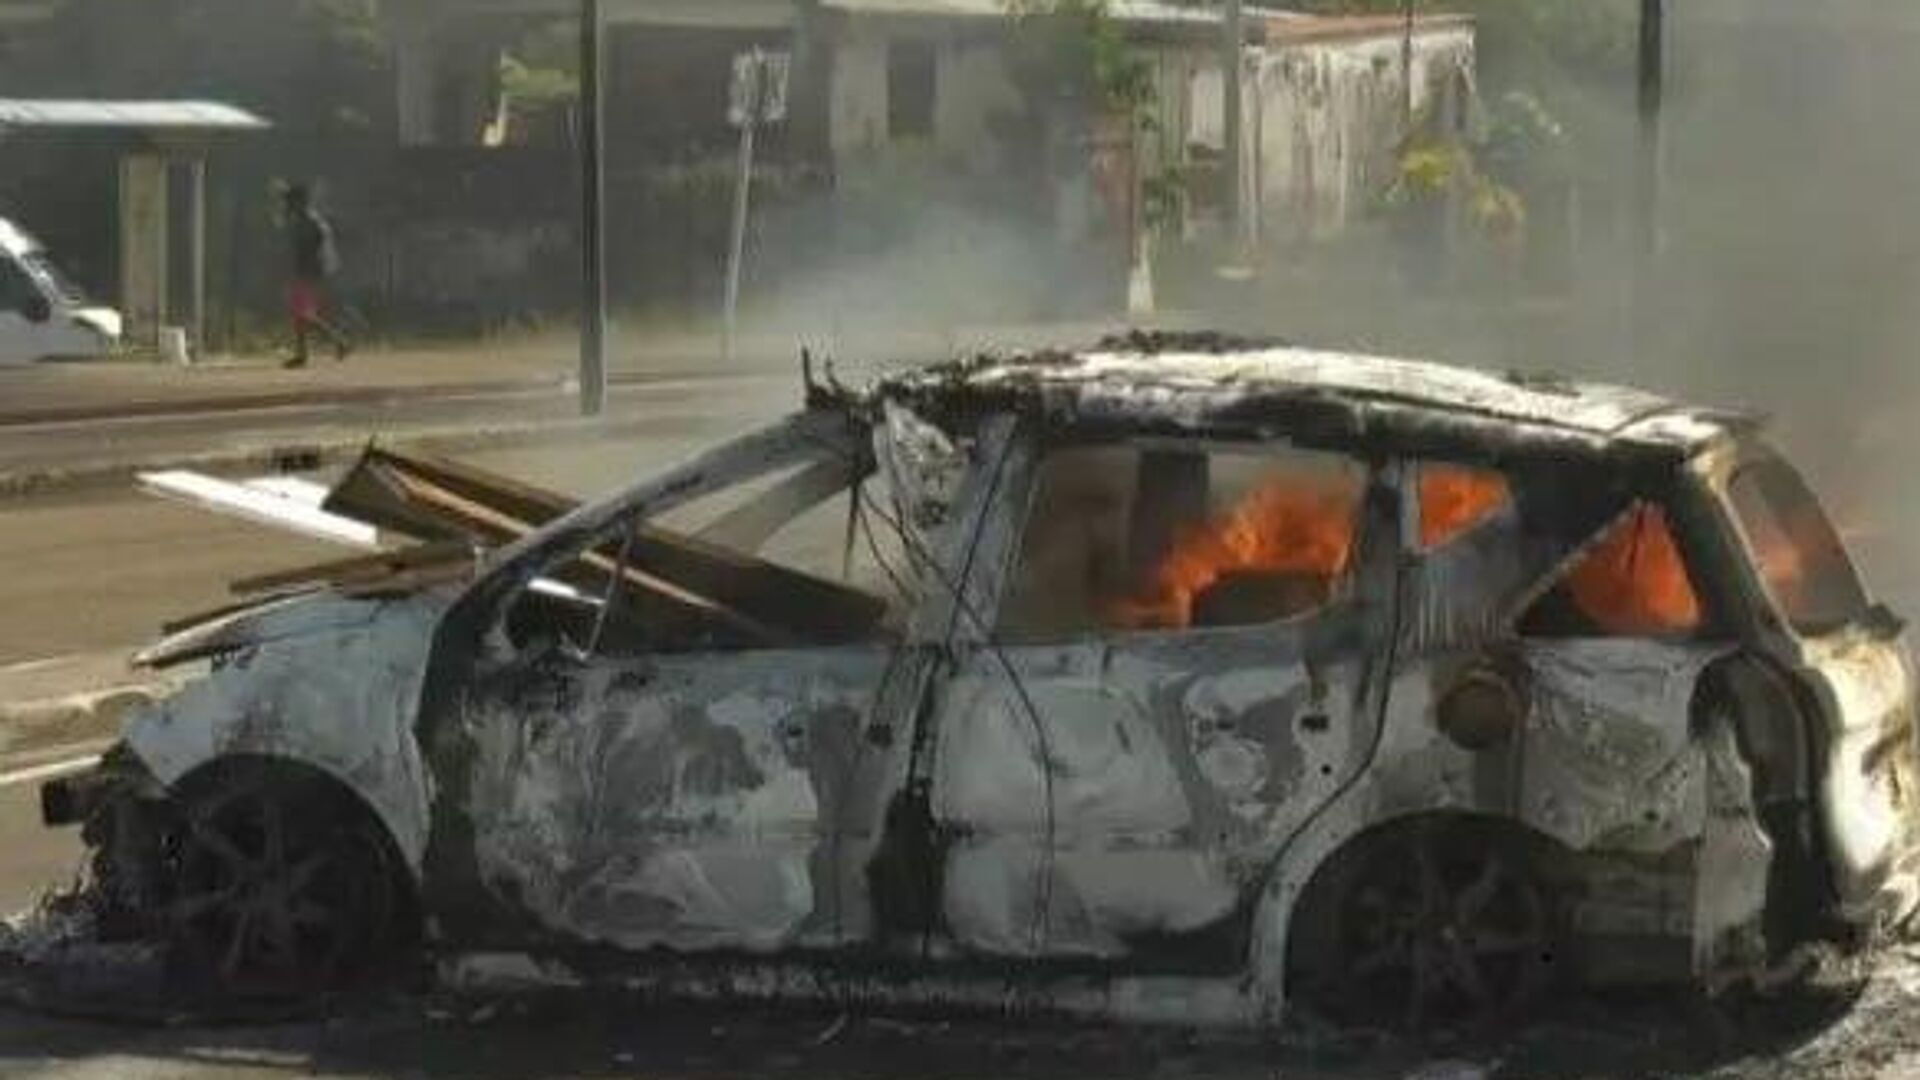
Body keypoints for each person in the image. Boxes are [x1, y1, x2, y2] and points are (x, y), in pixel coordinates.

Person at [281, 182, 350, 368]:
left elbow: (316, 248)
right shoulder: (305, 220)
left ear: (300, 202)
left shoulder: (310, 222)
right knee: (300, 316)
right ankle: (305, 352)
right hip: (307, 272)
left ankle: (338, 341)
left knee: (303, 315)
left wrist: (314, 268)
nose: (288, 204)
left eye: (291, 201)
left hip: (309, 273)